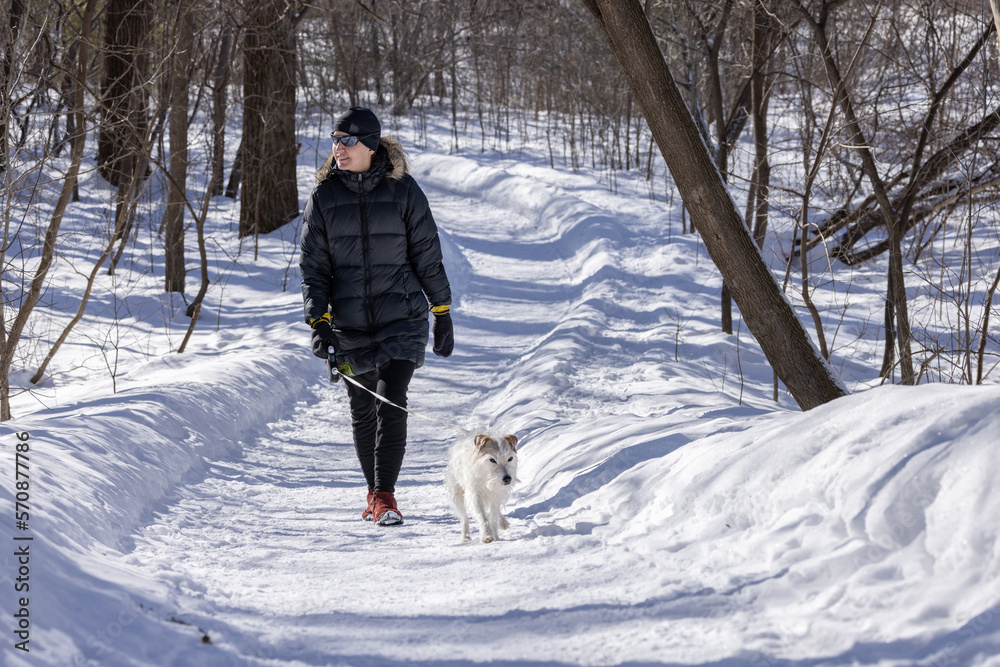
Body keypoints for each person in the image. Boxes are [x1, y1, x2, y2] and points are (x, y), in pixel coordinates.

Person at [300, 107, 454, 526]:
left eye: (347, 141)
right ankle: (372, 492)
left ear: (370, 145)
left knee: (392, 400)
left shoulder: (404, 191)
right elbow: (314, 269)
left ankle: (386, 496)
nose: (338, 148)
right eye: (335, 140)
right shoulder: (325, 198)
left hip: (402, 317)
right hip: (350, 323)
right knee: (363, 408)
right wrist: (319, 323)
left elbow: (427, 254)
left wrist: (442, 311)